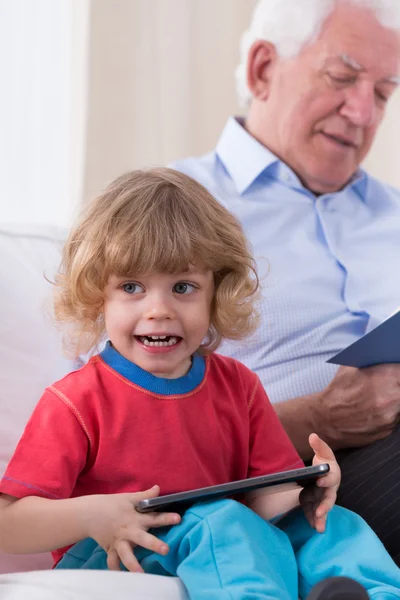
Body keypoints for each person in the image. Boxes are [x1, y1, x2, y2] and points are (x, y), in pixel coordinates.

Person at [0, 168, 398, 600]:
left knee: (333, 523)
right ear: (100, 296)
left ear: (215, 294)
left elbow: (271, 502)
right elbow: (8, 524)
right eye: (132, 287)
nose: (159, 310)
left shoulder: (238, 386)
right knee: (221, 522)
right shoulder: (75, 401)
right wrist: (91, 514)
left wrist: (310, 491)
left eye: (183, 287)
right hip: (116, 553)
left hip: (223, 537)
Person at [171, 0, 400, 564]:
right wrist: (315, 417)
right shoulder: (172, 209)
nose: (363, 112)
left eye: (383, 92)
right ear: (263, 69)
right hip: (306, 475)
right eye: (343, 77)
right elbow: (119, 417)